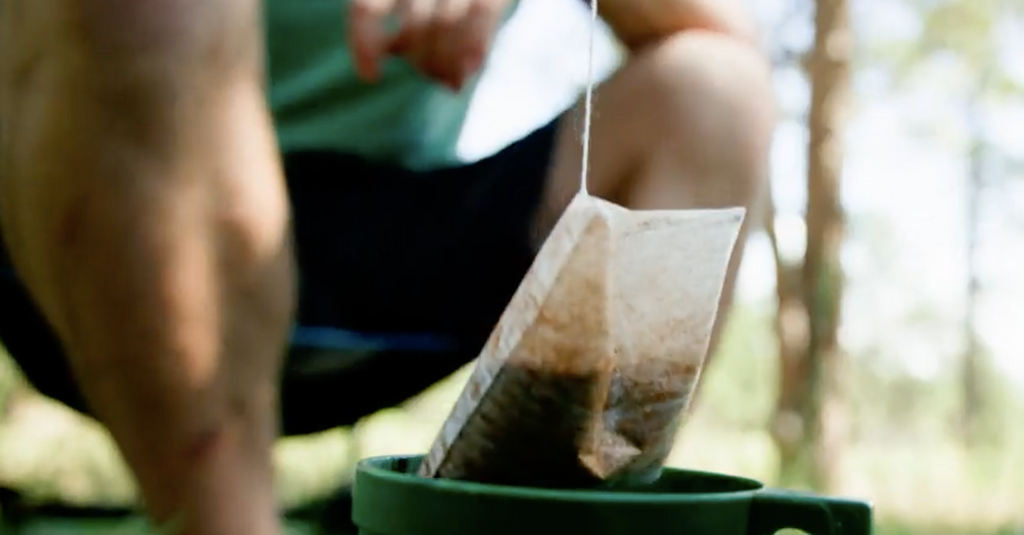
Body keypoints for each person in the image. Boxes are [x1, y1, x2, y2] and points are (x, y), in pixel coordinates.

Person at [0, 0, 774, 533]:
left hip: (385, 267)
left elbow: (723, 30)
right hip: (79, 244)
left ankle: (555, 519)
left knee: (715, 90)